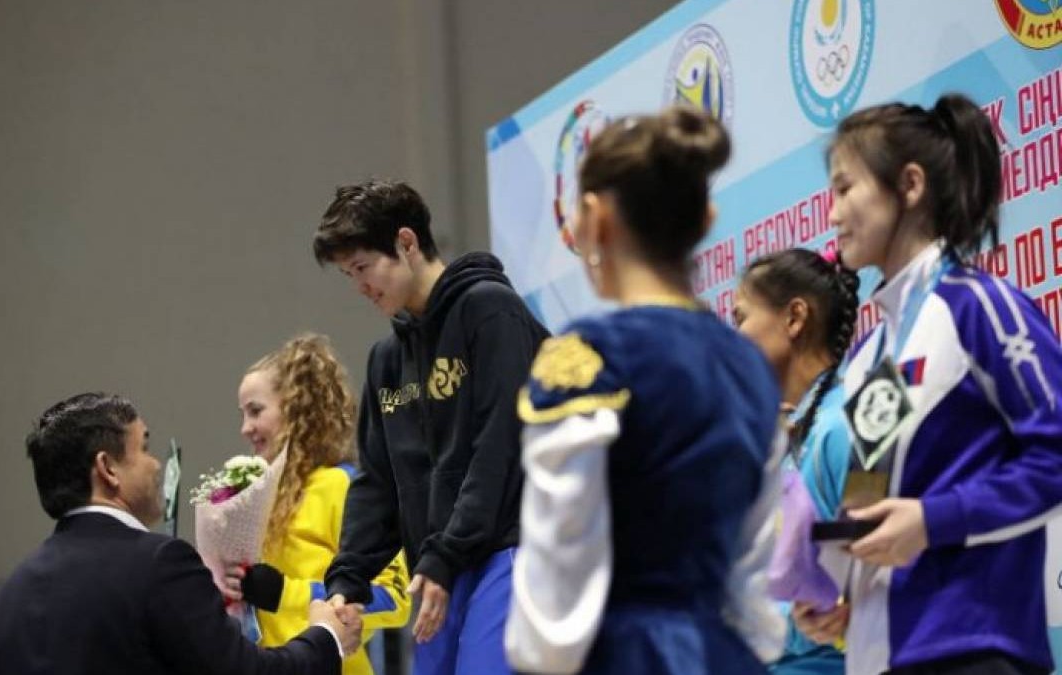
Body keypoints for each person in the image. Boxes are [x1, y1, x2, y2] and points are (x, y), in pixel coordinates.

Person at [505, 107, 782, 675]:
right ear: (704, 218)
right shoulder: (749, 367)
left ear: (595, 217)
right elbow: (752, 575)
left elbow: (558, 575)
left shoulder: (589, 357)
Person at [792, 94, 1062, 675]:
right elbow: (869, 501)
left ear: (910, 185)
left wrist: (934, 521)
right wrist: (836, 593)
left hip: (973, 648)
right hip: (880, 657)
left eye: (844, 189)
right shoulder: (870, 354)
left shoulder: (977, 307)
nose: (831, 214)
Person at [312, 179, 550, 675]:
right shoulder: (386, 361)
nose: (359, 287)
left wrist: (447, 554)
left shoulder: (490, 310)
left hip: (510, 551)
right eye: (349, 275)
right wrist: (347, 581)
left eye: (363, 268)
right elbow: (378, 484)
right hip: (439, 572)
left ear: (406, 242)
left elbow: (499, 446)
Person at [0, 392, 362, 675]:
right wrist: (326, 637)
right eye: (144, 447)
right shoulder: (159, 565)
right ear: (107, 468)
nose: (157, 464)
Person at [222, 334, 411, 675]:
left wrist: (285, 593)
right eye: (242, 414)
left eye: (256, 411)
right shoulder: (258, 499)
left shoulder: (342, 486)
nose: (245, 428)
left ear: (296, 409)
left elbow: (396, 598)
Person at [734, 247, 860, 675]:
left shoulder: (843, 428)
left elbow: (860, 580)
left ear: (794, 318)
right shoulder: (778, 438)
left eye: (740, 319)